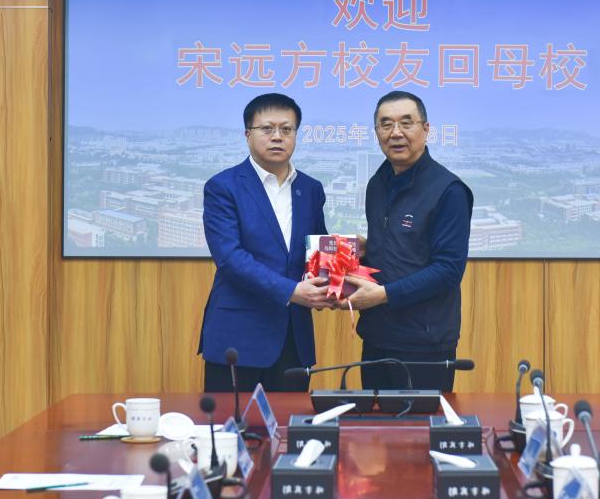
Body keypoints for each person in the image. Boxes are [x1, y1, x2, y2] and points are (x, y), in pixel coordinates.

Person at [199, 93, 331, 393]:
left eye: (286, 129)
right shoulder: (223, 186)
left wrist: (333, 283)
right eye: (267, 128)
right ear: (248, 134)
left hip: (293, 338)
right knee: (232, 422)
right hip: (238, 339)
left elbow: (316, 251)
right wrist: (293, 291)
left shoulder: (310, 188)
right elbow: (231, 258)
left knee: (290, 421)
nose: (277, 137)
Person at [343, 91, 473, 392]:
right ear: (376, 132)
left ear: (425, 129)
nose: (396, 133)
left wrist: (383, 295)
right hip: (376, 335)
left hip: (424, 343)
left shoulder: (449, 190)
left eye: (406, 122)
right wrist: (366, 248)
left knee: (420, 422)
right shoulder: (377, 184)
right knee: (374, 420)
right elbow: (398, 248)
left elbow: (448, 270)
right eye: (386, 124)